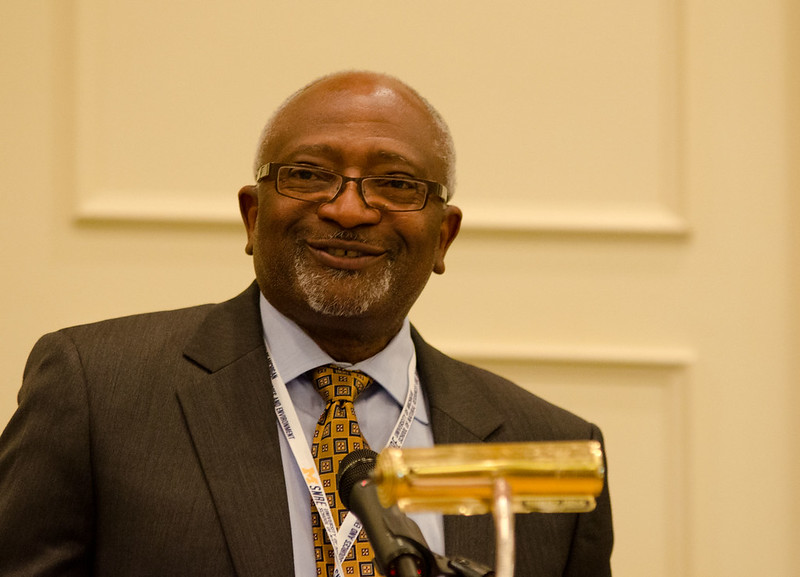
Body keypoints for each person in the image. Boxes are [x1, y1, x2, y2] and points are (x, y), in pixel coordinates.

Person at [0, 71, 613, 576]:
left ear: (444, 235)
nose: (348, 209)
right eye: (309, 174)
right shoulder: (98, 391)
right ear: (252, 215)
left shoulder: (544, 449)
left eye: (396, 184)